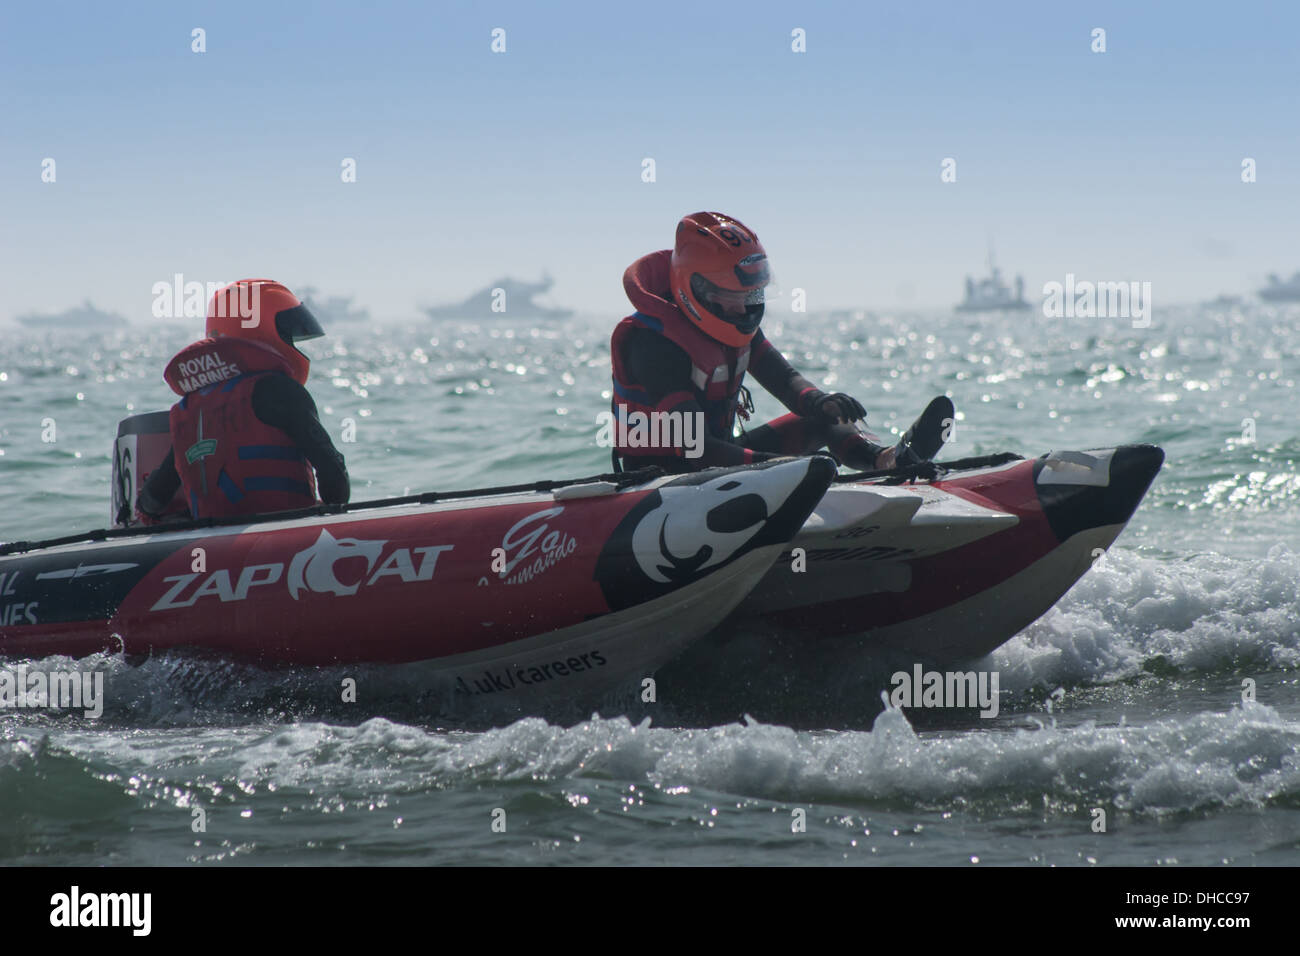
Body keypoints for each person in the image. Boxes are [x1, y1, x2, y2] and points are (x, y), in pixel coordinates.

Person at [610, 211, 942, 473]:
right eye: (730, 297)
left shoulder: (734, 326)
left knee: (824, 419)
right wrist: (784, 468)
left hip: (721, 465)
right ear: (693, 289)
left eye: (751, 294)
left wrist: (821, 402)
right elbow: (695, 446)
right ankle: (799, 479)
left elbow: (783, 379)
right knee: (791, 465)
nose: (743, 309)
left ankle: (887, 461)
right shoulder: (653, 343)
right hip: (663, 477)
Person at [135, 279, 349, 521]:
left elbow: (153, 499)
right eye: (288, 333)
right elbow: (335, 480)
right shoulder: (281, 391)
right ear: (264, 331)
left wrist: (142, 510)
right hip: (284, 534)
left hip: (213, 544)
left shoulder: (189, 408)